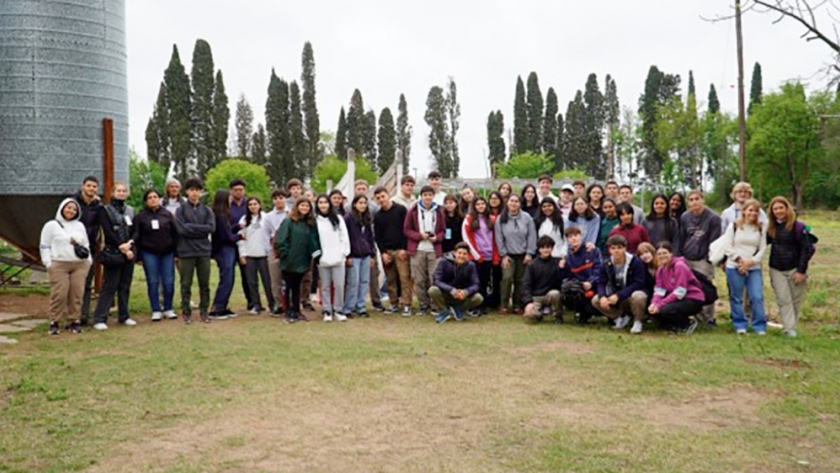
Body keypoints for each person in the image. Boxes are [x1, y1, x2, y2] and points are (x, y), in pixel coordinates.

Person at [40, 199, 92, 335]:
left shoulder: (79, 225)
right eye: (68, 208)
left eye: (74, 209)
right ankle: (54, 320)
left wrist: (89, 260)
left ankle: (75, 320)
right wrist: (48, 263)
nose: (71, 211)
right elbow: (44, 245)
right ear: (62, 208)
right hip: (59, 263)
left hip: (79, 264)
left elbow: (86, 244)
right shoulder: (52, 225)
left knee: (77, 293)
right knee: (60, 293)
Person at [766, 196, 815, 338]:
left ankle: (790, 325)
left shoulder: (798, 227)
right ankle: (789, 329)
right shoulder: (772, 228)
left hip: (795, 268)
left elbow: (808, 249)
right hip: (776, 268)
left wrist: (801, 271)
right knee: (783, 298)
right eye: (775, 209)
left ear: (787, 209)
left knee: (795, 300)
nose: (778, 211)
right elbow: (761, 243)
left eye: (781, 207)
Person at [91, 181, 137, 330]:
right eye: (118, 191)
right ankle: (100, 318)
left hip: (129, 252)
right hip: (113, 252)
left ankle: (124, 316)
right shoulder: (105, 210)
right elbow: (108, 231)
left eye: (124, 191)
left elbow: (135, 230)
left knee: (125, 286)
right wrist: (121, 246)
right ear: (113, 193)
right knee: (110, 286)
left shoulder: (131, 210)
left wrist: (130, 244)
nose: (121, 193)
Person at [721, 199, 768, 335]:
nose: (752, 213)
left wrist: (750, 262)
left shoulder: (760, 228)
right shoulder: (734, 226)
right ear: (744, 211)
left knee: (756, 297)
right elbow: (727, 246)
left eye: (755, 211)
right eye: (750, 210)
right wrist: (740, 261)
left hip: (754, 268)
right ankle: (740, 324)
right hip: (734, 266)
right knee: (737, 297)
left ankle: (759, 325)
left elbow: (762, 249)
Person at [131, 188, 178, 321]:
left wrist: (176, 253)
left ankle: (168, 308)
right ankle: (156, 309)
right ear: (146, 201)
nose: (153, 199)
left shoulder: (167, 214)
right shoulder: (140, 217)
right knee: (153, 282)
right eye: (150, 197)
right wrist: (138, 256)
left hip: (167, 253)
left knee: (169, 282)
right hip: (149, 253)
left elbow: (175, 234)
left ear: (159, 199)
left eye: (155, 197)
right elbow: (137, 236)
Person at [174, 178, 215, 324]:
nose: (194, 193)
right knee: (186, 283)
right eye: (192, 190)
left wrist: (191, 227)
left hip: (203, 251)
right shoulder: (181, 210)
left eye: (197, 190)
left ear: (201, 192)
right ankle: (186, 311)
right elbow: (181, 230)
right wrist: (199, 229)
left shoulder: (207, 210)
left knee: (204, 283)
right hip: (186, 252)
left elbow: (211, 228)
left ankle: (204, 311)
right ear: (187, 192)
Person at [678, 190, 721, 325]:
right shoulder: (685, 217)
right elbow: (681, 237)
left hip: (704, 258)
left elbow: (715, 240)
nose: (694, 202)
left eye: (697, 199)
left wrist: (708, 259)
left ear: (703, 200)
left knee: (706, 288)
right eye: (691, 200)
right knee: (690, 288)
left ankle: (709, 318)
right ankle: (696, 317)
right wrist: (680, 257)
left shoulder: (713, 218)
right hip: (687, 258)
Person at [592, 235, 649, 334]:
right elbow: (601, 282)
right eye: (613, 248)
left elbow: (639, 283)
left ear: (625, 248)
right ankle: (619, 318)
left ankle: (638, 321)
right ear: (609, 250)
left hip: (630, 294)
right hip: (615, 295)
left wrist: (619, 295)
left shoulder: (636, 262)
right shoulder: (606, 264)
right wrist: (602, 296)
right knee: (595, 299)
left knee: (639, 296)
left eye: (619, 248)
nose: (616, 251)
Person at [276, 198, 320, 323]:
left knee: (297, 287)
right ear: (297, 206)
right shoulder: (288, 221)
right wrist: (285, 254)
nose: (304, 208)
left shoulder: (310, 223)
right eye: (302, 205)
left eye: (307, 206)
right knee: (288, 287)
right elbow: (281, 240)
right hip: (289, 260)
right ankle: (288, 311)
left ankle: (296, 310)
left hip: (303, 260)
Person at [404, 185, 445, 316]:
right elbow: (406, 230)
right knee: (419, 279)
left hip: (434, 250)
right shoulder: (413, 211)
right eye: (425, 195)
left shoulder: (439, 211)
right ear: (421, 196)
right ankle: (423, 305)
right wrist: (419, 236)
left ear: (433, 196)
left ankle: (434, 305)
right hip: (418, 249)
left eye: (430, 195)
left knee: (434, 278)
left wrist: (436, 238)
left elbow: (443, 231)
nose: (427, 197)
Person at [648, 242, 704, 334]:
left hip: (692, 298)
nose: (662, 256)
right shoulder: (660, 269)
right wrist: (654, 303)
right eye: (659, 254)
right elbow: (659, 290)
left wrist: (660, 305)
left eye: (665, 253)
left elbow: (680, 292)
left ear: (671, 253)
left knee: (666, 310)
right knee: (652, 309)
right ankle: (673, 326)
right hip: (677, 298)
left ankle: (687, 324)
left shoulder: (679, 266)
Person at [495, 194, 537, 314]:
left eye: (516, 201)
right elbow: (499, 238)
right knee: (507, 278)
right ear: (507, 203)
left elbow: (531, 236)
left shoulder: (527, 218)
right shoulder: (501, 219)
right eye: (511, 201)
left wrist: (529, 253)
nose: (513, 203)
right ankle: (503, 304)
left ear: (520, 203)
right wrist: (503, 255)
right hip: (508, 255)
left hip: (523, 255)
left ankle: (517, 305)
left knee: (520, 280)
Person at [373, 187, 412, 315]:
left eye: (383, 196)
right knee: (390, 279)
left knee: (404, 278)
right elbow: (377, 237)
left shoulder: (401, 210)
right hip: (387, 252)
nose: (381, 200)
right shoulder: (378, 216)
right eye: (378, 198)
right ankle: (393, 303)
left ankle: (406, 304)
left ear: (388, 195)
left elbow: (406, 230)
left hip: (401, 250)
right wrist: (383, 252)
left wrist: (404, 249)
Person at [314, 194, 350, 322]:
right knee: (325, 286)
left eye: (325, 202)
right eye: (320, 202)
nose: (323, 205)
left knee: (339, 285)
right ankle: (327, 310)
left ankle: (338, 310)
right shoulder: (315, 220)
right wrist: (317, 257)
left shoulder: (338, 218)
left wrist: (343, 253)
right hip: (323, 259)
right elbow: (313, 240)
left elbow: (344, 237)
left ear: (330, 204)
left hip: (338, 258)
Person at [237, 197, 274, 315]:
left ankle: (272, 304)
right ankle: (256, 305)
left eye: (255, 204)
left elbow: (272, 234)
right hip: (250, 254)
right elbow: (241, 239)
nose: (253, 206)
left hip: (264, 254)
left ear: (259, 205)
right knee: (252, 282)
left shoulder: (266, 218)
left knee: (268, 281)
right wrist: (242, 254)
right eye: (250, 204)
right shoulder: (243, 220)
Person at [462, 196, 499, 314]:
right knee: (474, 282)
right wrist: (476, 255)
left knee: (484, 281)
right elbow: (466, 238)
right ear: (474, 206)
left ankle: (482, 305)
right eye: (478, 204)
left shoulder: (492, 219)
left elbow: (496, 239)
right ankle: (473, 306)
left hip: (489, 256)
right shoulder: (468, 219)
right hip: (475, 257)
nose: (480, 206)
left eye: (483, 204)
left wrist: (495, 255)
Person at [208, 190, 241, 319]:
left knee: (229, 277)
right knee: (227, 278)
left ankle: (223, 305)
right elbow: (225, 237)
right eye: (229, 197)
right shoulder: (220, 215)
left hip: (225, 248)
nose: (231, 199)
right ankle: (217, 307)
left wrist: (237, 227)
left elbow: (227, 231)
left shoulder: (223, 215)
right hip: (223, 249)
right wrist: (239, 236)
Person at [75, 176, 102, 326]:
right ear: (83, 186)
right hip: (72, 248)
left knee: (86, 283)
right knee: (73, 283)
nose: (91, 189)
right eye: (89, 186)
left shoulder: (97, 206)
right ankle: (74, 314)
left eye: (94, 186)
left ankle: (84, 314)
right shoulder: (73, 203)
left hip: (90, 248)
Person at [344, 194, 376, 317]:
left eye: (364, 203)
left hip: (365, 255)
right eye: (360, 203)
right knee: (353, 282)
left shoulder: (367, 218)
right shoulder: (348, 218)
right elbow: (346, 238)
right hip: (354, 255)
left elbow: (370, 237)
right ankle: (348, 308)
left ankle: (361, 307)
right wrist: (348, 255)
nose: (363, 205)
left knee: (364, 281)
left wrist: (372, 254)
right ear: (354, 204)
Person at [562, 226, 601, 323]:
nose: (573, 238)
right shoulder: (569, 257)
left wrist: (590, 282)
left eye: (576, 235)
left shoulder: (592, 251)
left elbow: (599, 270)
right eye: (570, 237)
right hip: (581, 287)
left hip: (596, 285)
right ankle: (580, 313)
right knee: (568, 287)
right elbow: (569, 275)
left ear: (581, 236)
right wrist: (561, 267)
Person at [522, 236, 565, 323]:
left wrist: (561, 269)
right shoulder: (532, 265)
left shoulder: (557, 262)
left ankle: (558, 316)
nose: (545, 250)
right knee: (529, 314)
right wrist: (528, 302)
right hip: (536, 297)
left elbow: (561, 280)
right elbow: (526, 284)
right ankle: (539, 315)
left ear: (552, 248)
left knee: (556, 294)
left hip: (549, 295)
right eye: (543, 247)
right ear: (539, 249)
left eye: (548, 247)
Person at [264, 190, 288, 315]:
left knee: (290, 278)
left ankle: (291, 303)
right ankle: (278, 304)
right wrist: (270, 251)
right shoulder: (269, 216)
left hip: (290, 248)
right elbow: (266, 234)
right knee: (275, 278)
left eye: (281, 197)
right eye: (275, 198)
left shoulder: (291, 213)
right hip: (274, 248)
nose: (278, 200)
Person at [229, 179, 252, 310]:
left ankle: (251, 300)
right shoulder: (227, 204)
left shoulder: (248, 203)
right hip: (231, 242)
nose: (239, 192)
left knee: (247, 273)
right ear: (231, 191)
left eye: (241, 189)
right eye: (236, 190)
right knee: (229, 274)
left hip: (246, 241)